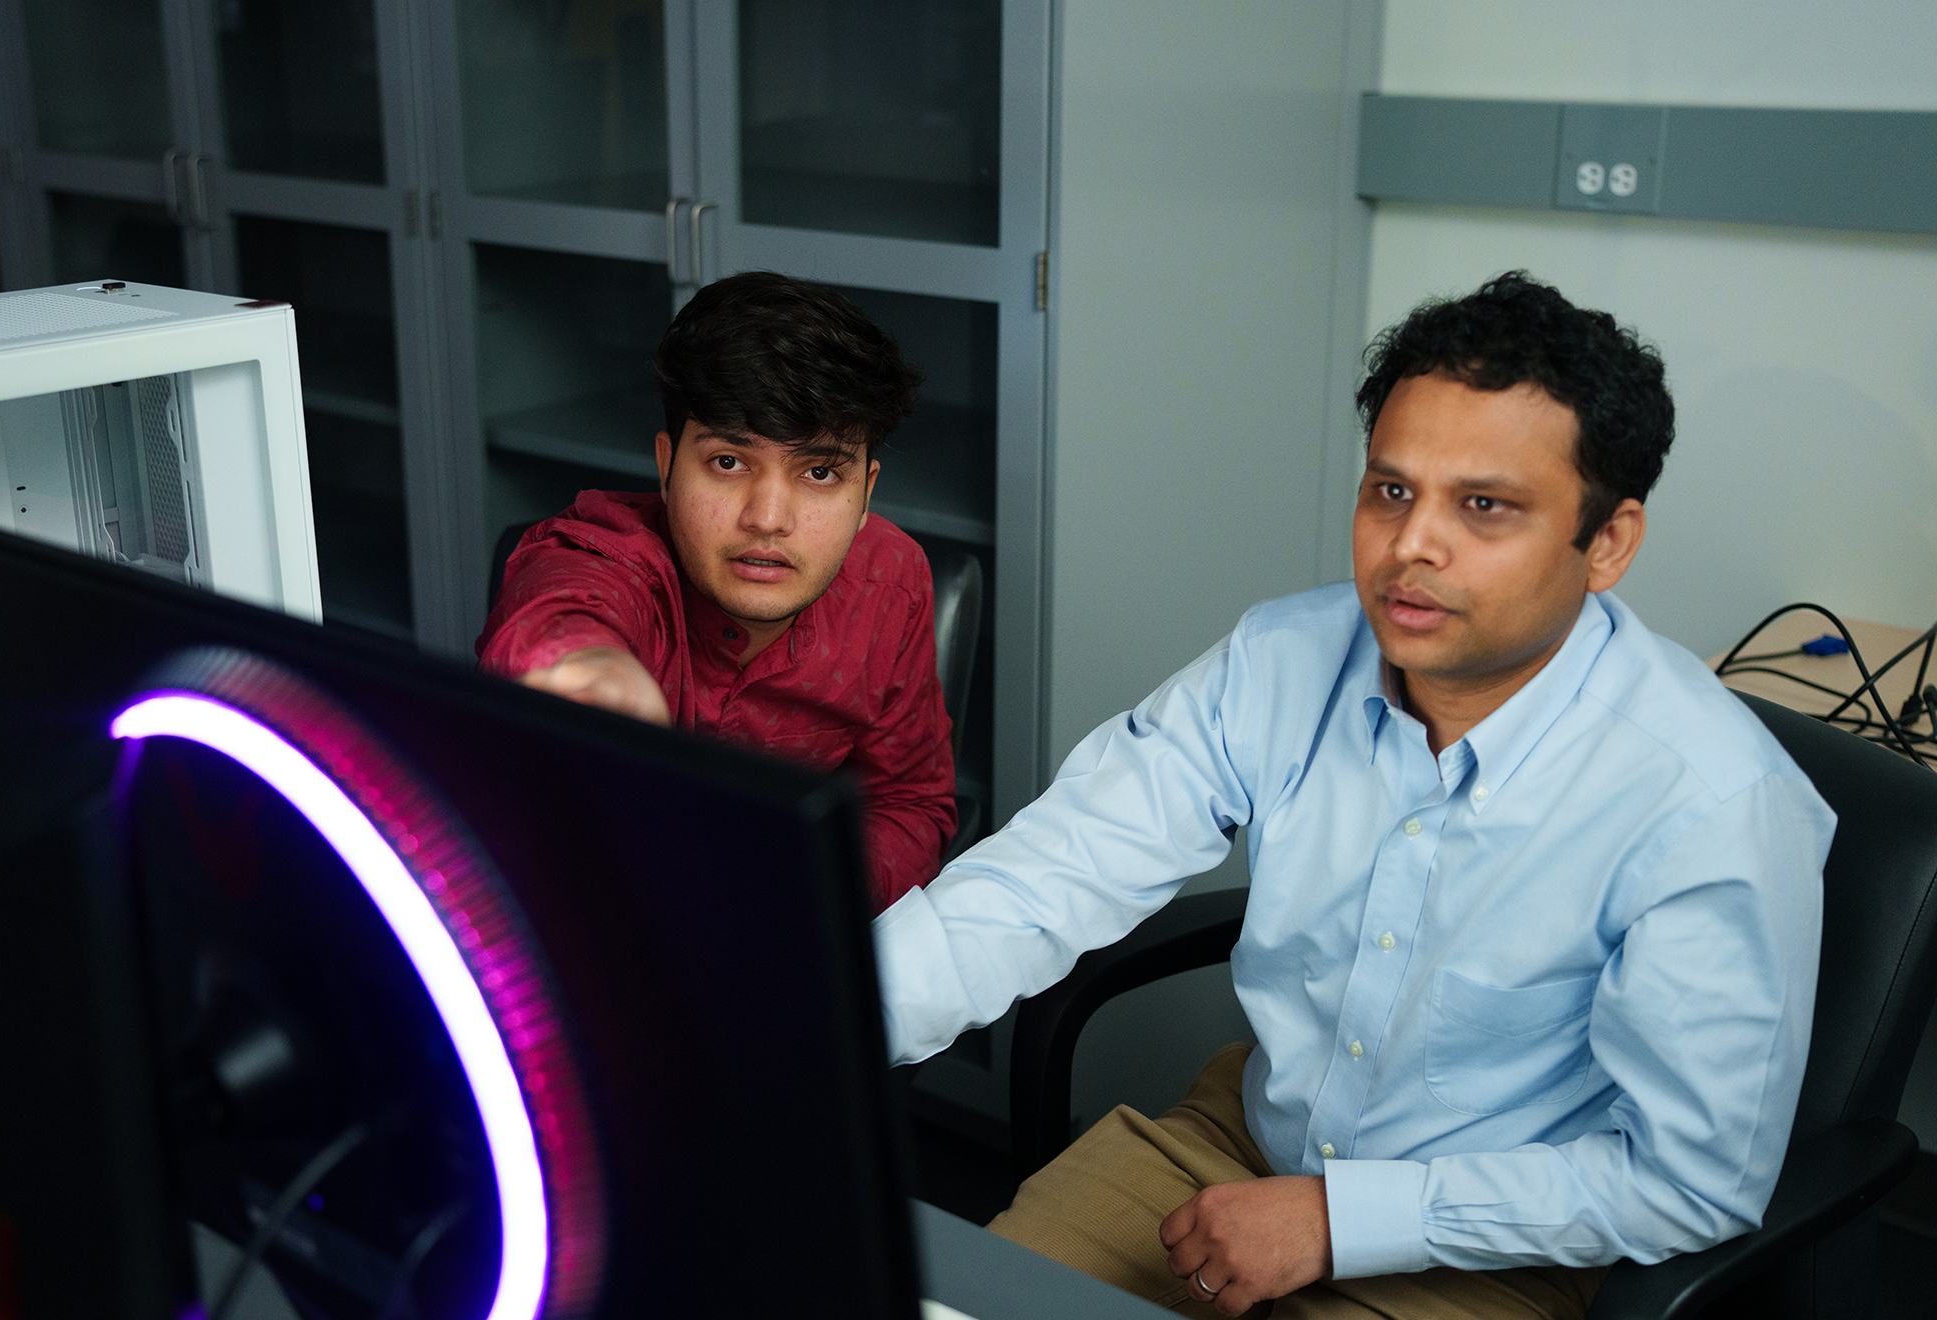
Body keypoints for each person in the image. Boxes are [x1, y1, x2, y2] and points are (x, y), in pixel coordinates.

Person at [874, 272, 1833, 1318]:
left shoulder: (1712, 802)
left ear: (1606, 543)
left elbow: (1689, 1180)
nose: (1410, 546)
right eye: (1390, 490)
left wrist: (1341, 1221)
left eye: (1483, 506)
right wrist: (799, 1029)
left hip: (1498, 1238)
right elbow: (1043, 878)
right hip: (1239, 1149)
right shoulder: (1283, 658)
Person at [478, 272, 957, 912]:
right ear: (666, 463)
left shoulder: (892, 581)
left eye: (818, 472)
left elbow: (908, 801)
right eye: (729, 462)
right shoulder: (605, 554)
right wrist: (590, 669)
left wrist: (797, 893)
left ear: (866, 492)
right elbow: (563, 607)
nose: (765, 517)